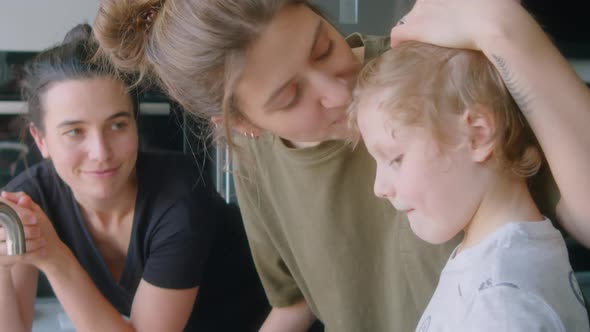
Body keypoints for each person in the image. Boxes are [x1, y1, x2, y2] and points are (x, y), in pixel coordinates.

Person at [93, 0, 590, 330]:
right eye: (290, 97)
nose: (338, 90)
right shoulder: (257, 162)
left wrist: (504, 29)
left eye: (323, 46)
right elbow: (295, 302)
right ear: (247, 125)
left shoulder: (431, 78)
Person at [0, 24, 267, 332]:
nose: (101, 152)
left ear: (135, 125)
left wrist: (55, 259)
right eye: (75, 132)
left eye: (117, 125)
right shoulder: (27, 201)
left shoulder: (179, 197)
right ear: (41, 139)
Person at [349, 41, 590, 331]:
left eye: (395, 158)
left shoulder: (500, 308)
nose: (379, 187)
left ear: (476, 134)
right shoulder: (502, 254)